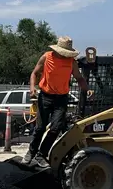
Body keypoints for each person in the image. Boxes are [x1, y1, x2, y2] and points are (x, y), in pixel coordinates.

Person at [23, 36, 91, 165]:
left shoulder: (72, 62)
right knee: (40, 128)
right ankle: (31, 152)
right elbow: (35, 73)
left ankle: (41, 154)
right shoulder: (47, 57)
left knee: (55, 127)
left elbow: (79, 78)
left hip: (61, 98)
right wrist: (32, 88)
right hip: (45, 96)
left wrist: (87, 89)